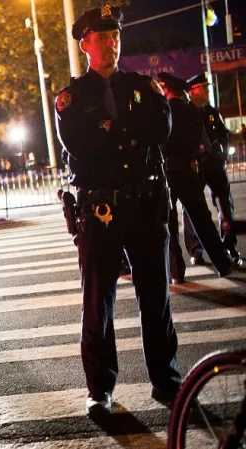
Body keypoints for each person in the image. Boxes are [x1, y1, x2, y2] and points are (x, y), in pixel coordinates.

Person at [54, 5, 182, 416]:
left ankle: (166, 379)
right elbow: (81, 146)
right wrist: (129, 131)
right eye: (101, 37)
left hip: (145, 205)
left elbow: (161, 129)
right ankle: (100, 389)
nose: (110, 43)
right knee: (98, 303)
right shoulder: (70, 98)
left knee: (155, 298)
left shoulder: (143, 87)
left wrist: (109, 129)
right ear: (85, 44)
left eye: (115, 36)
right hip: (99, 209)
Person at [157, 73, 233, 283]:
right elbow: (197, 140)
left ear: (167, 90)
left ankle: (176, 273)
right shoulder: (191, 111)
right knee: (202, 220)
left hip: (168, 173)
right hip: (189, 170)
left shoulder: (163, 111)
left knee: (170, 225)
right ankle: (222, 263)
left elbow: (159, 141)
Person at [182, 72, 241, 266]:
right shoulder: (185, 113)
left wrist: (222, 153)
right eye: (204, 88)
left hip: (215, 165)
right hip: (195, 166)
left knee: (225, 205)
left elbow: (224, 135)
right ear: (192, 91)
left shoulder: (212, 112)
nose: (208, 91)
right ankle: (196, 250)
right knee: (192, 209)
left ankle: (230, 245)